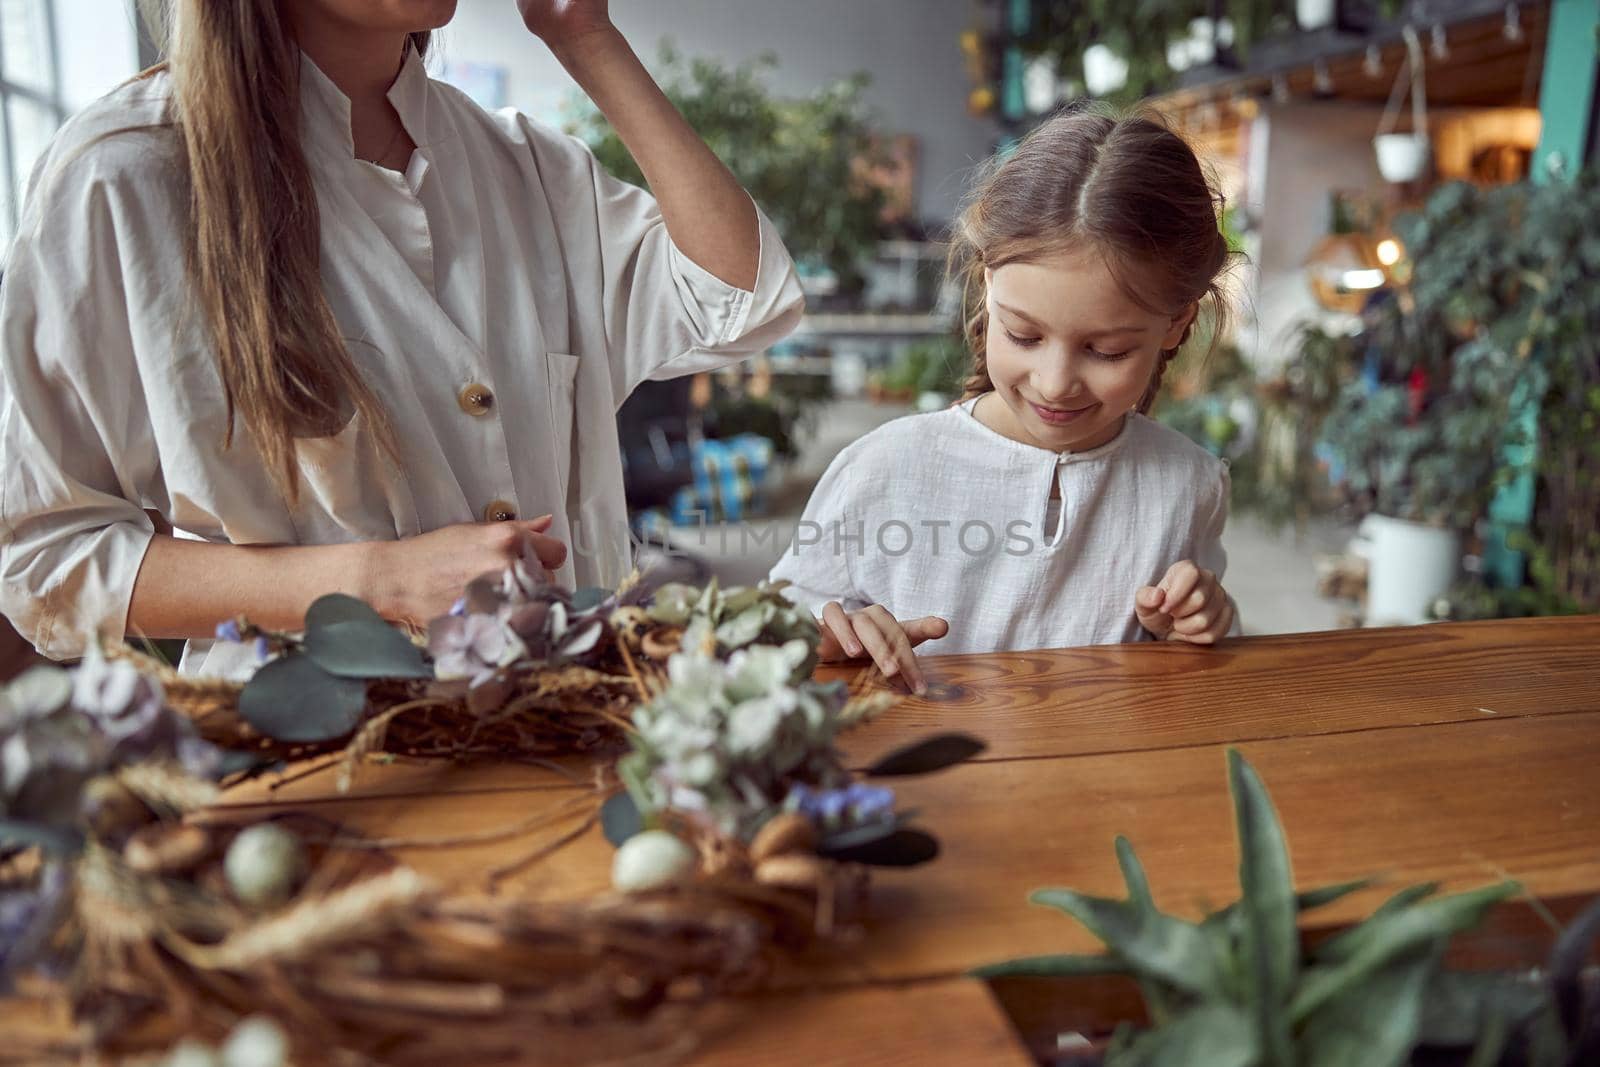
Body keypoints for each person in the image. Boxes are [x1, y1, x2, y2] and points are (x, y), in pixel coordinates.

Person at [0, 0, 803, 677]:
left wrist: (583, 35)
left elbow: (741, 297)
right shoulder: (127, 175)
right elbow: (44, 558)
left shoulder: (527, 168)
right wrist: (374, 579)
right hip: (318, 783)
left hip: (563, 743)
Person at [770, 107, 1240, 694]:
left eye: (1107, 350)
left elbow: (1195, 668)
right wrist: (831, 637)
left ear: (1176, 324)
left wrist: (1199, 620)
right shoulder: (882, 469)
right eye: (1024, 336)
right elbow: (765, 639)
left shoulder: (1188, 484)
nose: (1054, 382)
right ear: (987, 285)